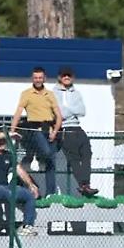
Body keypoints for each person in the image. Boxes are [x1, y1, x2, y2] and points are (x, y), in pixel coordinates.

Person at [10, 66, 61, 196]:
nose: (38, 80)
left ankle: (50, 194)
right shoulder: (26, 94)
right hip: (34, 129)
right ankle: (37, 159)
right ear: (32, 79)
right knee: (46, 152)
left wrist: (55, 131)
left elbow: (58, 115)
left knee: (51, 162)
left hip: (49, 129)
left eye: (40, 77)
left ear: (44, 78)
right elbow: (18, 112)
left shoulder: (50, 94)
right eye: (35, 78)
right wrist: (12, 130)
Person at [0, 130, 39, 236]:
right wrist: (9, 134)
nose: (3, 143)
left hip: (5, 187)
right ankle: (9, 225)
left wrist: (31, 184)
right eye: (1, 140)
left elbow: (19, 170)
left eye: (5, 140)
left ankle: (26, 226)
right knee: (8, 193)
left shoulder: (8, 155)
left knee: (28, 195)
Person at [53, 66, 97, 197]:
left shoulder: (76, 93)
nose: (66, 77)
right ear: (59, 77)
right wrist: (71, 110)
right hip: (65, 129)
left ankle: (86, 184)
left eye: (69, 75)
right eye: (64, 75)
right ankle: (83, 185)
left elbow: (82, 111)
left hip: (78, 128)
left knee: (87, 154)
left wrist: (67, 109)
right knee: (74, 159)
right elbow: (60, 112)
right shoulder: (54, 93)